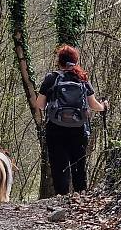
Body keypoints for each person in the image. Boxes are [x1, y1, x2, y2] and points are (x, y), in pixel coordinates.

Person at [31, 45, 109, 196]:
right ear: (76, 61)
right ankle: (81, 197)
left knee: (59, 166)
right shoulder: (82, 79)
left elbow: (39, 105)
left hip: (55, 128)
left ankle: (62, 198)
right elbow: (94, 106)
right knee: (79, 164)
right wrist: (104, 106)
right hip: (79, 129)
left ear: (58, 61)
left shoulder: (51, 78)